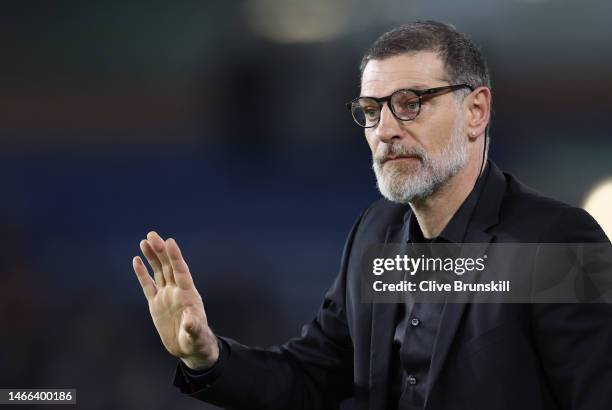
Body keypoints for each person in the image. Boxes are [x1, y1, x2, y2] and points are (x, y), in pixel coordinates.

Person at [131, 21, 612, 409]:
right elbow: (310, 377)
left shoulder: (559, 240)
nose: (385, 131)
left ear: (476, 111)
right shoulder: (374, 234)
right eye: (370, 110)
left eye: (410, 104)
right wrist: (208, 356)